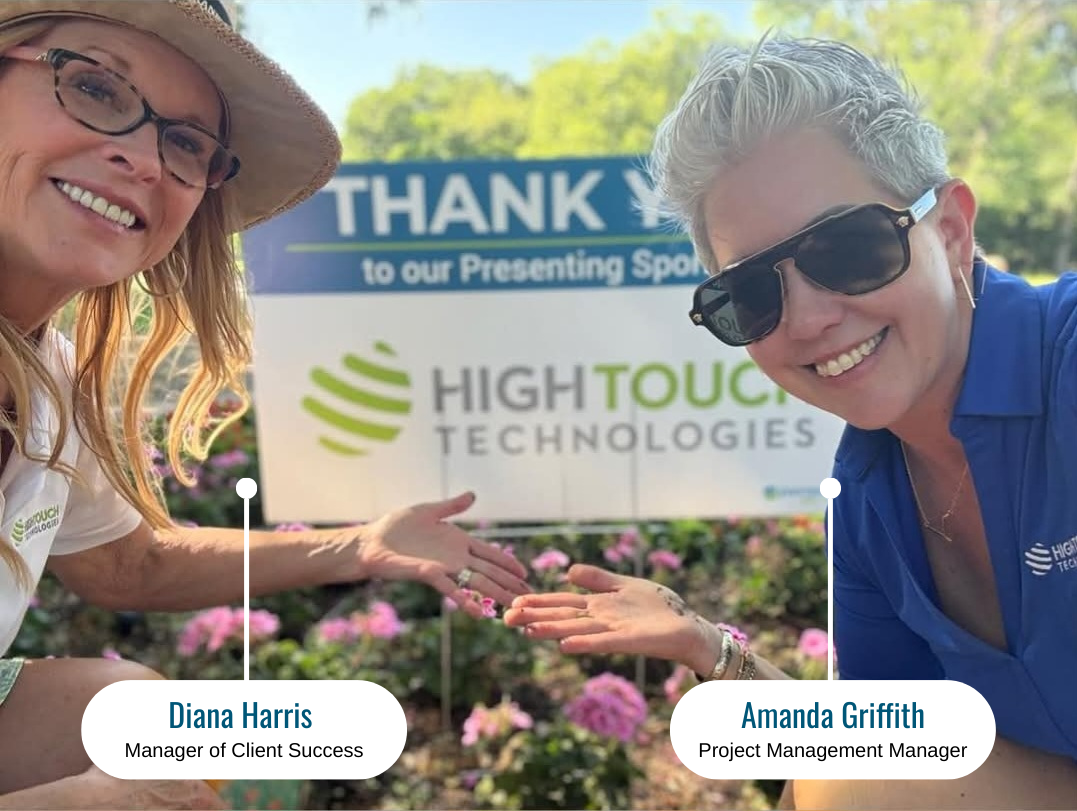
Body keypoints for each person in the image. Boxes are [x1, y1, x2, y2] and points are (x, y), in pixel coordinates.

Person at [507, 33, 1077, 809]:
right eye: (749, 294)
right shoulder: (869, 495)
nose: (806, 318)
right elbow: (880, 750)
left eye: (845, 247)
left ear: (948, 230)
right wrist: (705, 646)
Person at [0, 1, 529, 807]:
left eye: (184, 144)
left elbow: (125, 561)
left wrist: (361, 545)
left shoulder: (51, 378)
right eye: (96, 87)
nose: (143, 158)